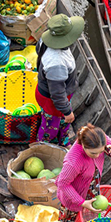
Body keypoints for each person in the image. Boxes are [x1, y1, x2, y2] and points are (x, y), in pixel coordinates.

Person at [34, 14, 85, 147]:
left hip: (59, 96)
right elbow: (57, 93)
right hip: (52, 99)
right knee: (49, 126)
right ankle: (43, 146)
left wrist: (66, 111)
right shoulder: (56, 63)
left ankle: (63, 139)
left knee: (62, 120)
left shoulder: (46, 39)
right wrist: (67, 111)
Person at [56, 124, 111, 222]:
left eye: (100, 152)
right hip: (73, 196)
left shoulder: (98, 138)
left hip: (91, 185)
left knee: (90, 214)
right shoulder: (73, 162)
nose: (97, 156)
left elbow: (109, 142)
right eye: (93, 153)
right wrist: (82, 202)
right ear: (84, 146)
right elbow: (63, 184)